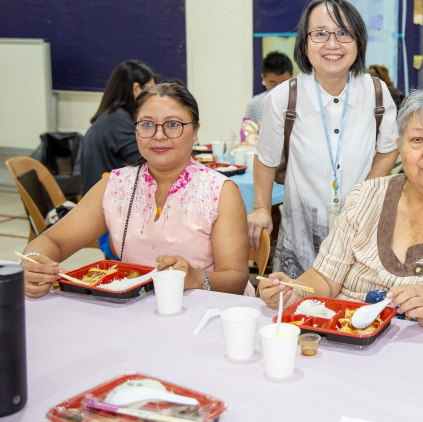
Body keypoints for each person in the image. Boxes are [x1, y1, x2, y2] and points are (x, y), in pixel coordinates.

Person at [259, 89, 423, 328]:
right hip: (349, 331)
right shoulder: (365, 197)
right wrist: (294, 292)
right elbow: (325, 277)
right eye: (417, 140)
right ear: (400, 146)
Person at [19, 83, 251, 298]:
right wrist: (33, 262)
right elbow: (53, 240)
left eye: (173, 124)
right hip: (134, 309)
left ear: (195, 130)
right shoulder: (117, 186)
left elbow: (236, 279)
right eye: (147, 125)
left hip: (204, 311)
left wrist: (197, 278)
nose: (158, 135)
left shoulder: (219, 191)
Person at [247, 0, 399, 279]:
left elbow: (389, 148)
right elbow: (265, 158)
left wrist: (363, 197)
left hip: (361, 234)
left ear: (358, 41)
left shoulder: (377, 93)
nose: (332, 44)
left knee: (357, 304)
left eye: (343, 33)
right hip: (301, 236)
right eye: (320, 34)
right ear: (304, 44)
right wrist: (261, 208)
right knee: (298, 302)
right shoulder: (282, 98)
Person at [80, 60, 156, 195]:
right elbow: (145, 163)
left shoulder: (111, 116)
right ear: (136, 89)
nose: (153, 99)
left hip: (102, 195)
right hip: (105, 200)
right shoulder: (117, 120)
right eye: (150, 92)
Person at [244, 51, 293, 123]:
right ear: (263, 78)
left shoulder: (302, 101)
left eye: (283, 83)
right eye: (273, 83)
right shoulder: (254, 105)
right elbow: (248, 129)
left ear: (292, 78)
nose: (278, 88)